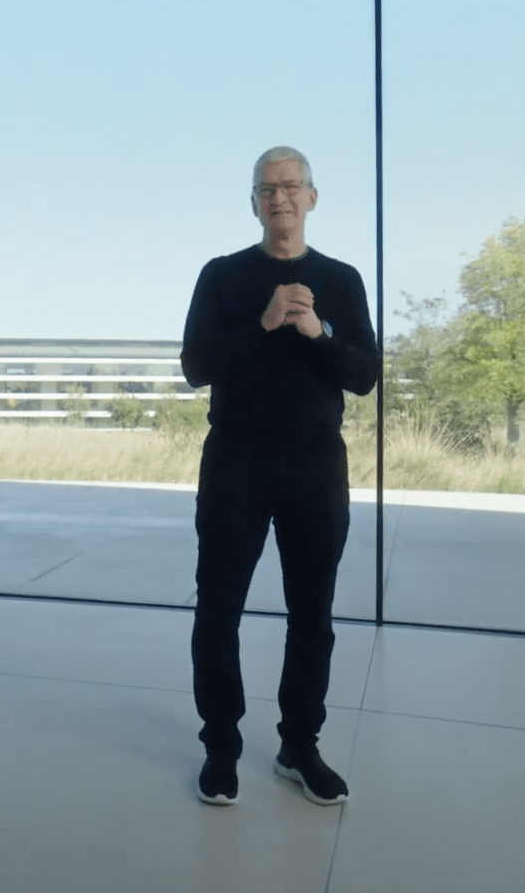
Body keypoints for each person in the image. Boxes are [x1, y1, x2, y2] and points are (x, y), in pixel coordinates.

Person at [180, 145, 379, 806]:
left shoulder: (343, 280)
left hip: (317, 464)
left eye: (292, 186)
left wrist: (317, 330)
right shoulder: (223, 275)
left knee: (312, 615)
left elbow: (362, 375)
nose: (280, 197)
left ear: (312, 198)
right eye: (268, 188)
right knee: (217, 610)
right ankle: (221, 748)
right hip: (235, 460)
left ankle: (300, 745)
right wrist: (263, 323)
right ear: (255, 202)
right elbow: (196, 365)